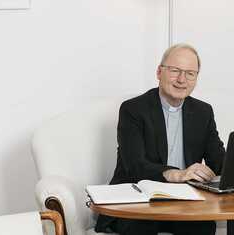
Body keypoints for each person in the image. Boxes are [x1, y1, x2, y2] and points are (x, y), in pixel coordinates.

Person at [95, 43, 226, 235]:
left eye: (190, 73)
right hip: (137, 201)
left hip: (185, 202)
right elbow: (135, 165)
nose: (182, 79)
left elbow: (218, 160)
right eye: (175, 71)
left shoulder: (203, 112)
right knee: (141, 227)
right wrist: (177, 174)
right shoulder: (133, 110)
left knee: (202, 227)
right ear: (159, 72)